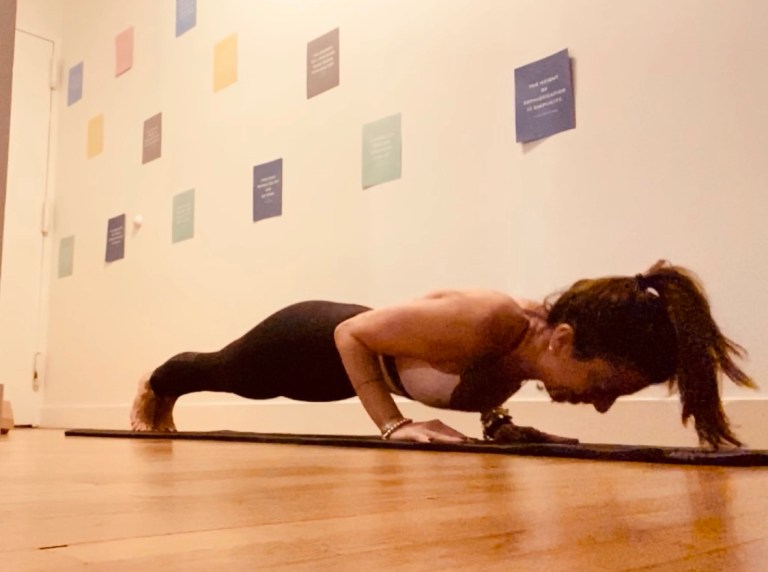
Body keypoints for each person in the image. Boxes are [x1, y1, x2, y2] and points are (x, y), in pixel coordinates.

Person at [130, 260, 755, 448]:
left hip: (350, 373)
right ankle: (158, 383)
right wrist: (393, 425)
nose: (600, 407)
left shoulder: (531, 352)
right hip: (309, 339)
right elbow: (353, 335)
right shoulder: (486, 319)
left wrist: (500, 426)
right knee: (229, 373)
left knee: (235, 378)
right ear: (565, 341)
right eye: (603, 386)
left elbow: (481, 381)